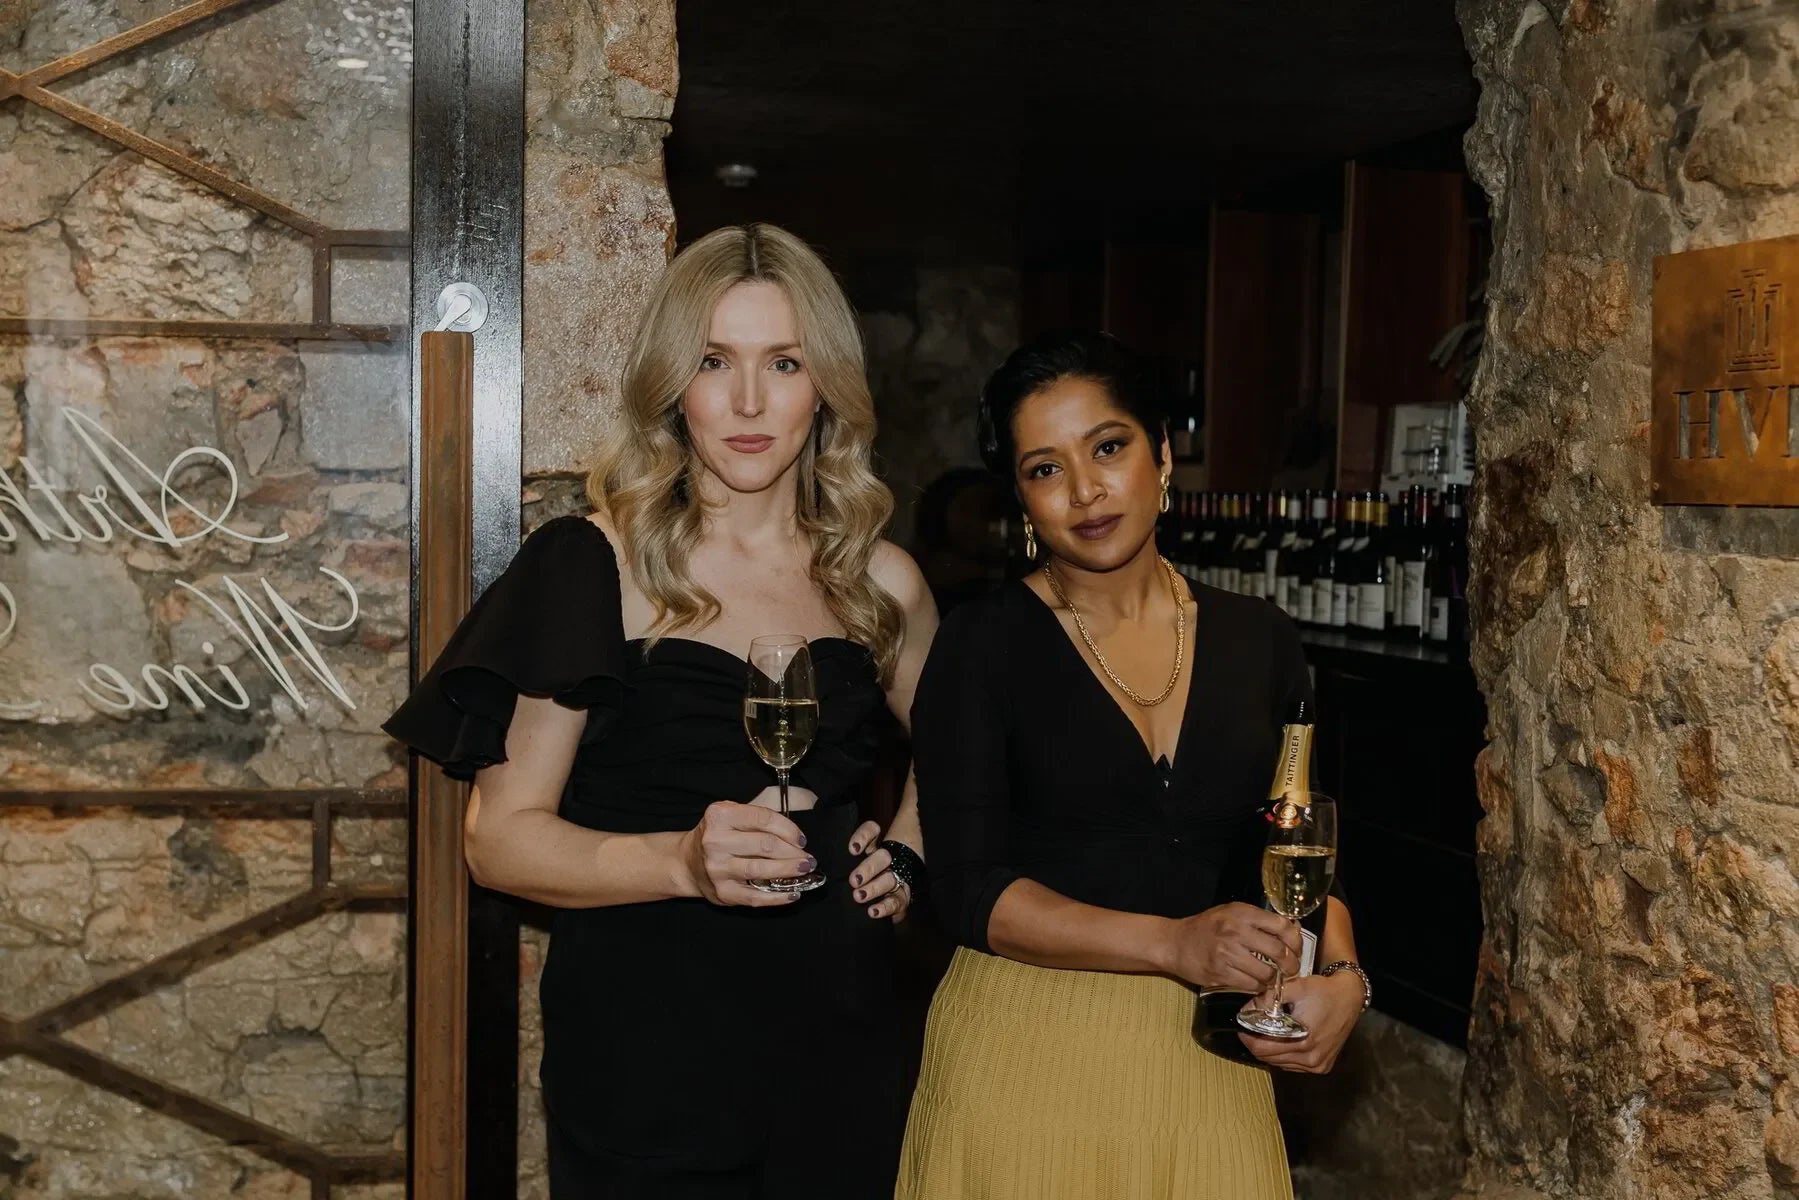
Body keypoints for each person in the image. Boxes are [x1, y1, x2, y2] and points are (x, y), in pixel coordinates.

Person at [383, 223, 937, 1199]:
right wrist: (679, 861)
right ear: (672, 384)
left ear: (827, 386)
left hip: (844, 1046)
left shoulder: (879, 581)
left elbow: (958, 749)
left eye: (784, 363)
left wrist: (909, 850)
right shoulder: (595, 567)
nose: (750, 400)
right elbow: (499, 841)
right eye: (716, 362)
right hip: (649, 1057)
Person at [895, 331, 1369, 1200]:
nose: (1084, 491)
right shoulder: (981, 645)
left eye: (1107, 448)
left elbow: (1299, 853)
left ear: (1160, 450)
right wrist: (1172, 943)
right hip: (1024, 1058)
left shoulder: (1259, 638)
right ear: (1019, 498)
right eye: (1044, 469)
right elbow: (963, 888)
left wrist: (1343, 978)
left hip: (1209, 1058)